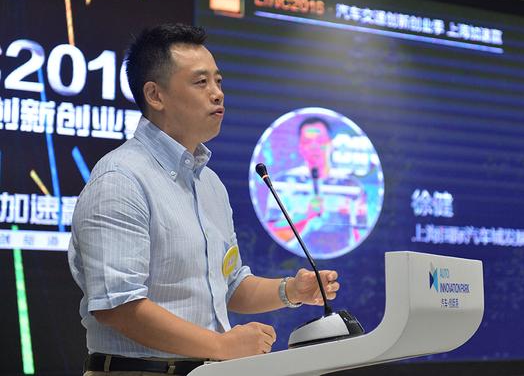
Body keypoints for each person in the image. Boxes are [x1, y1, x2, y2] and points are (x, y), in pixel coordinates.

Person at [67, 23, 340, 374]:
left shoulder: (209, 183)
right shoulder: (121, 179)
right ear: (155, 95)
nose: (217, 94)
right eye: (201, 82)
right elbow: (117, 306)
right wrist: (222, 346)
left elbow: (229, 285)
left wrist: (292, 290)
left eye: (218, 81)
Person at [266, 116, 368, 259]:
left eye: (320, 141)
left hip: (345, 261)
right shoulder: (282, 183)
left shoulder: (351, 186)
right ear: (300, 147)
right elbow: (273, 233)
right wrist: (304, 216)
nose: (314, 147)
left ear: (330, 144)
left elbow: (361, 233)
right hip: (293, 261)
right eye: (307, 142)